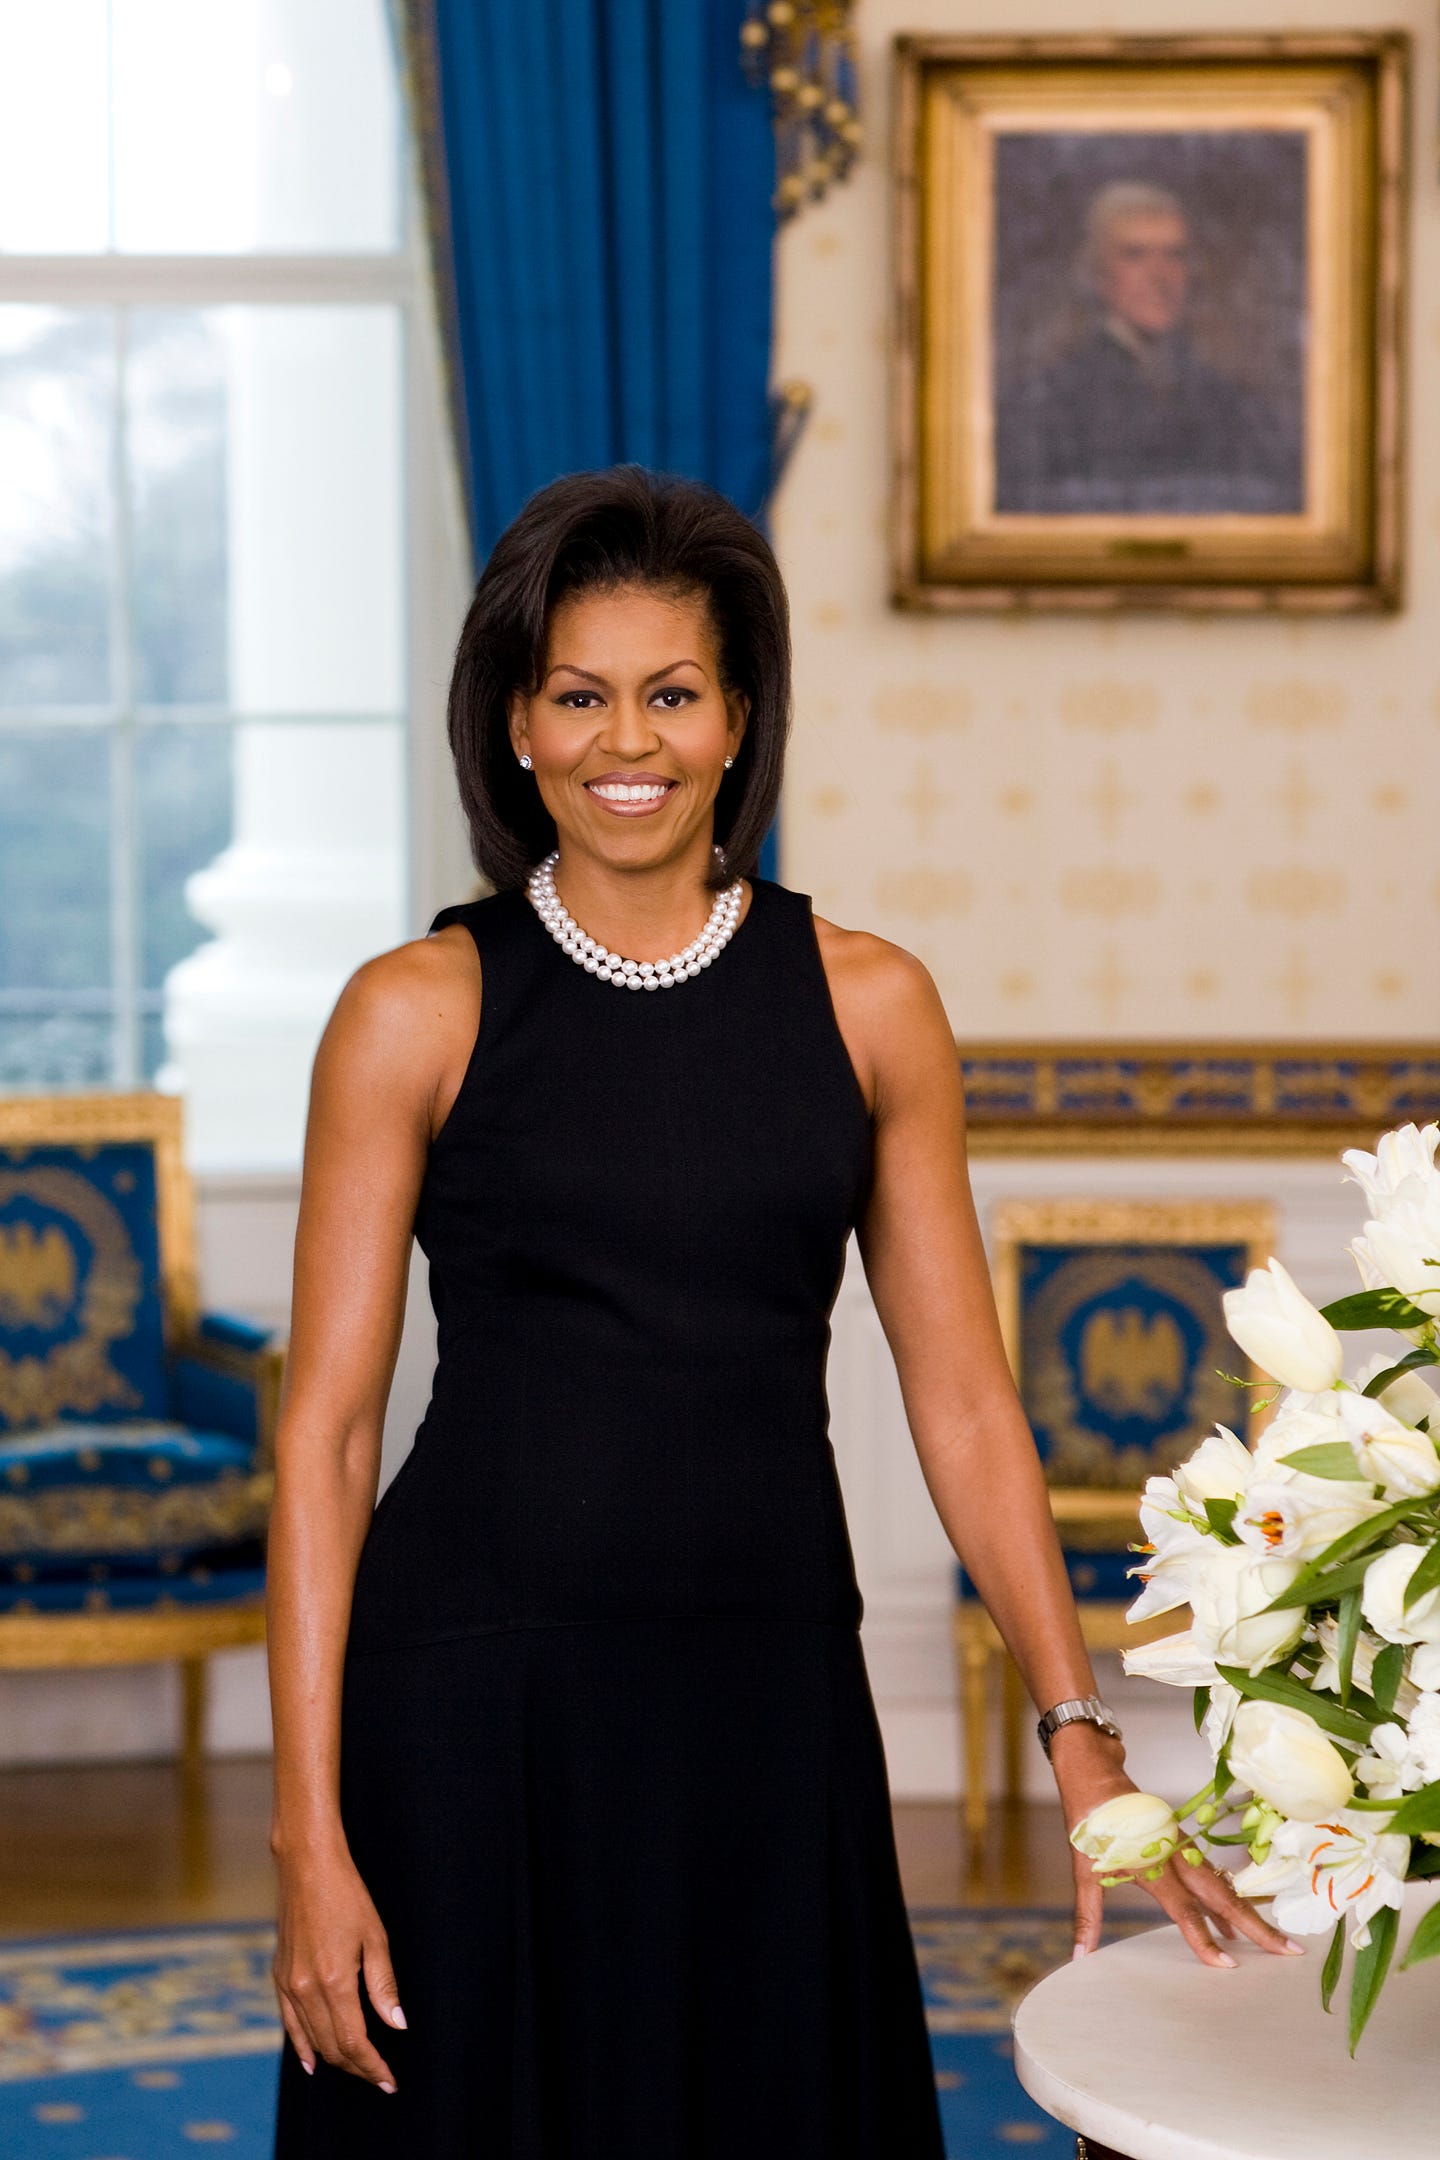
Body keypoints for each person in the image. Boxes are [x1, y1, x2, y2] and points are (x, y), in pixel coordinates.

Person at [265, 465, 1295, 2158]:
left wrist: (1086, 1743)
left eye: (673, 693)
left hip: (767, 1700)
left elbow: (963, 1405)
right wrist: (309, 1831)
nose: (630, 741)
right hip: (472, 1709)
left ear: (741, 718)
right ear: (516, 724)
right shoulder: (413, 1011)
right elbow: (328, 1433)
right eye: (580, 696)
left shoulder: (872, 1004)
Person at [994, 178, 1303, 515]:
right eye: (1134, 255)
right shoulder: (1045, 402)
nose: (1160, 277)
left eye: (1175, 255)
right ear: (1097, 273)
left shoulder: (1233, 402)